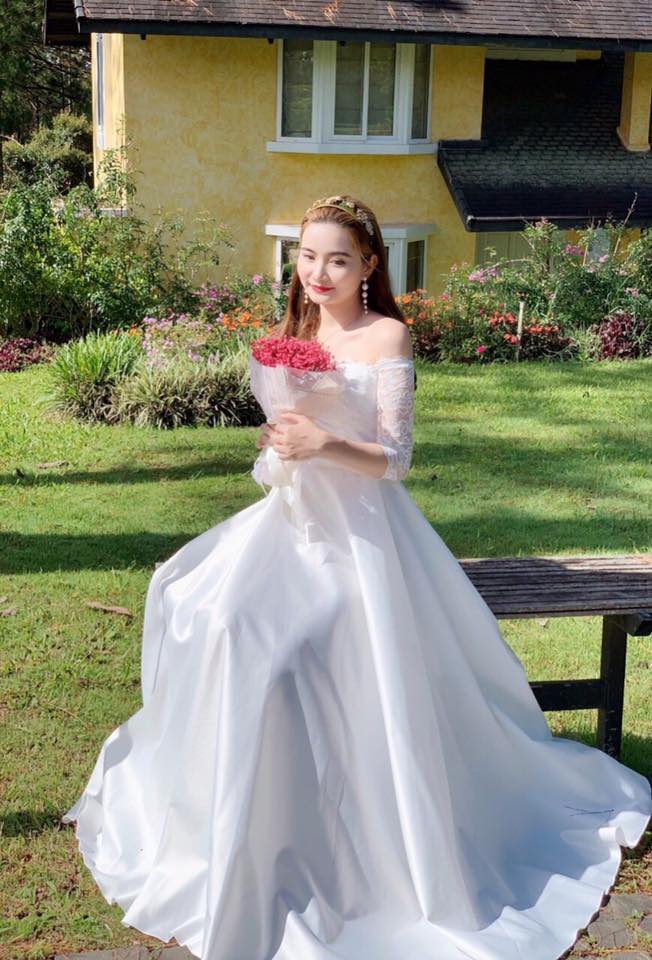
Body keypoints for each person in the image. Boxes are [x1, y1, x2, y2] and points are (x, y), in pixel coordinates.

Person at [62, 194, 651, 960]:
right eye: (307, 256)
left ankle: (347, 846)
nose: (318, 272)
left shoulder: (386, 335)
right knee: (204, 608)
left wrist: (323, 444)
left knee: (295, 656)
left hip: (364, 540)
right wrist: (280, 444)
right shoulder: (298, 332)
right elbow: (284, 442)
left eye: (337, 259)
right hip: (292, 524)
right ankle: (236, 826)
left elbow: (394, 459)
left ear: (370, 263)